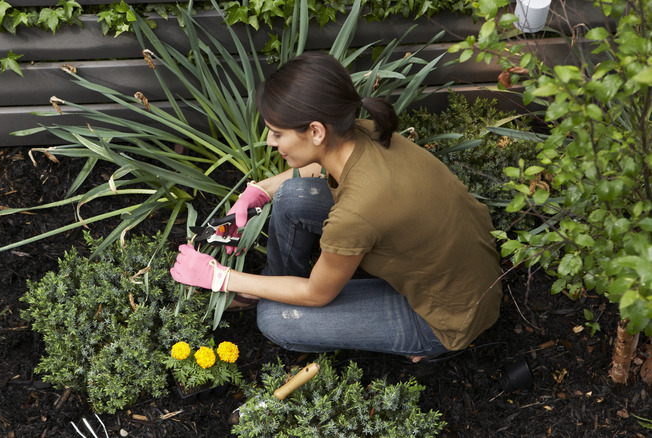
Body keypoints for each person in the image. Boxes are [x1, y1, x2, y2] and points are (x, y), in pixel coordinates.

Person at [170, 52, 502, 361]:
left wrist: (222, 278)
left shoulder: (356, 214)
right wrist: (261, 190)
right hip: (466, 265)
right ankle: (276, 283)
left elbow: (317, 295)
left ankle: (427, 347)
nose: (271, 142)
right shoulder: (363, 131)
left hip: (446, 318)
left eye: (276, 133)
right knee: (292, 195)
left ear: (315, 131)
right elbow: (321, 164)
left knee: (275, 319)